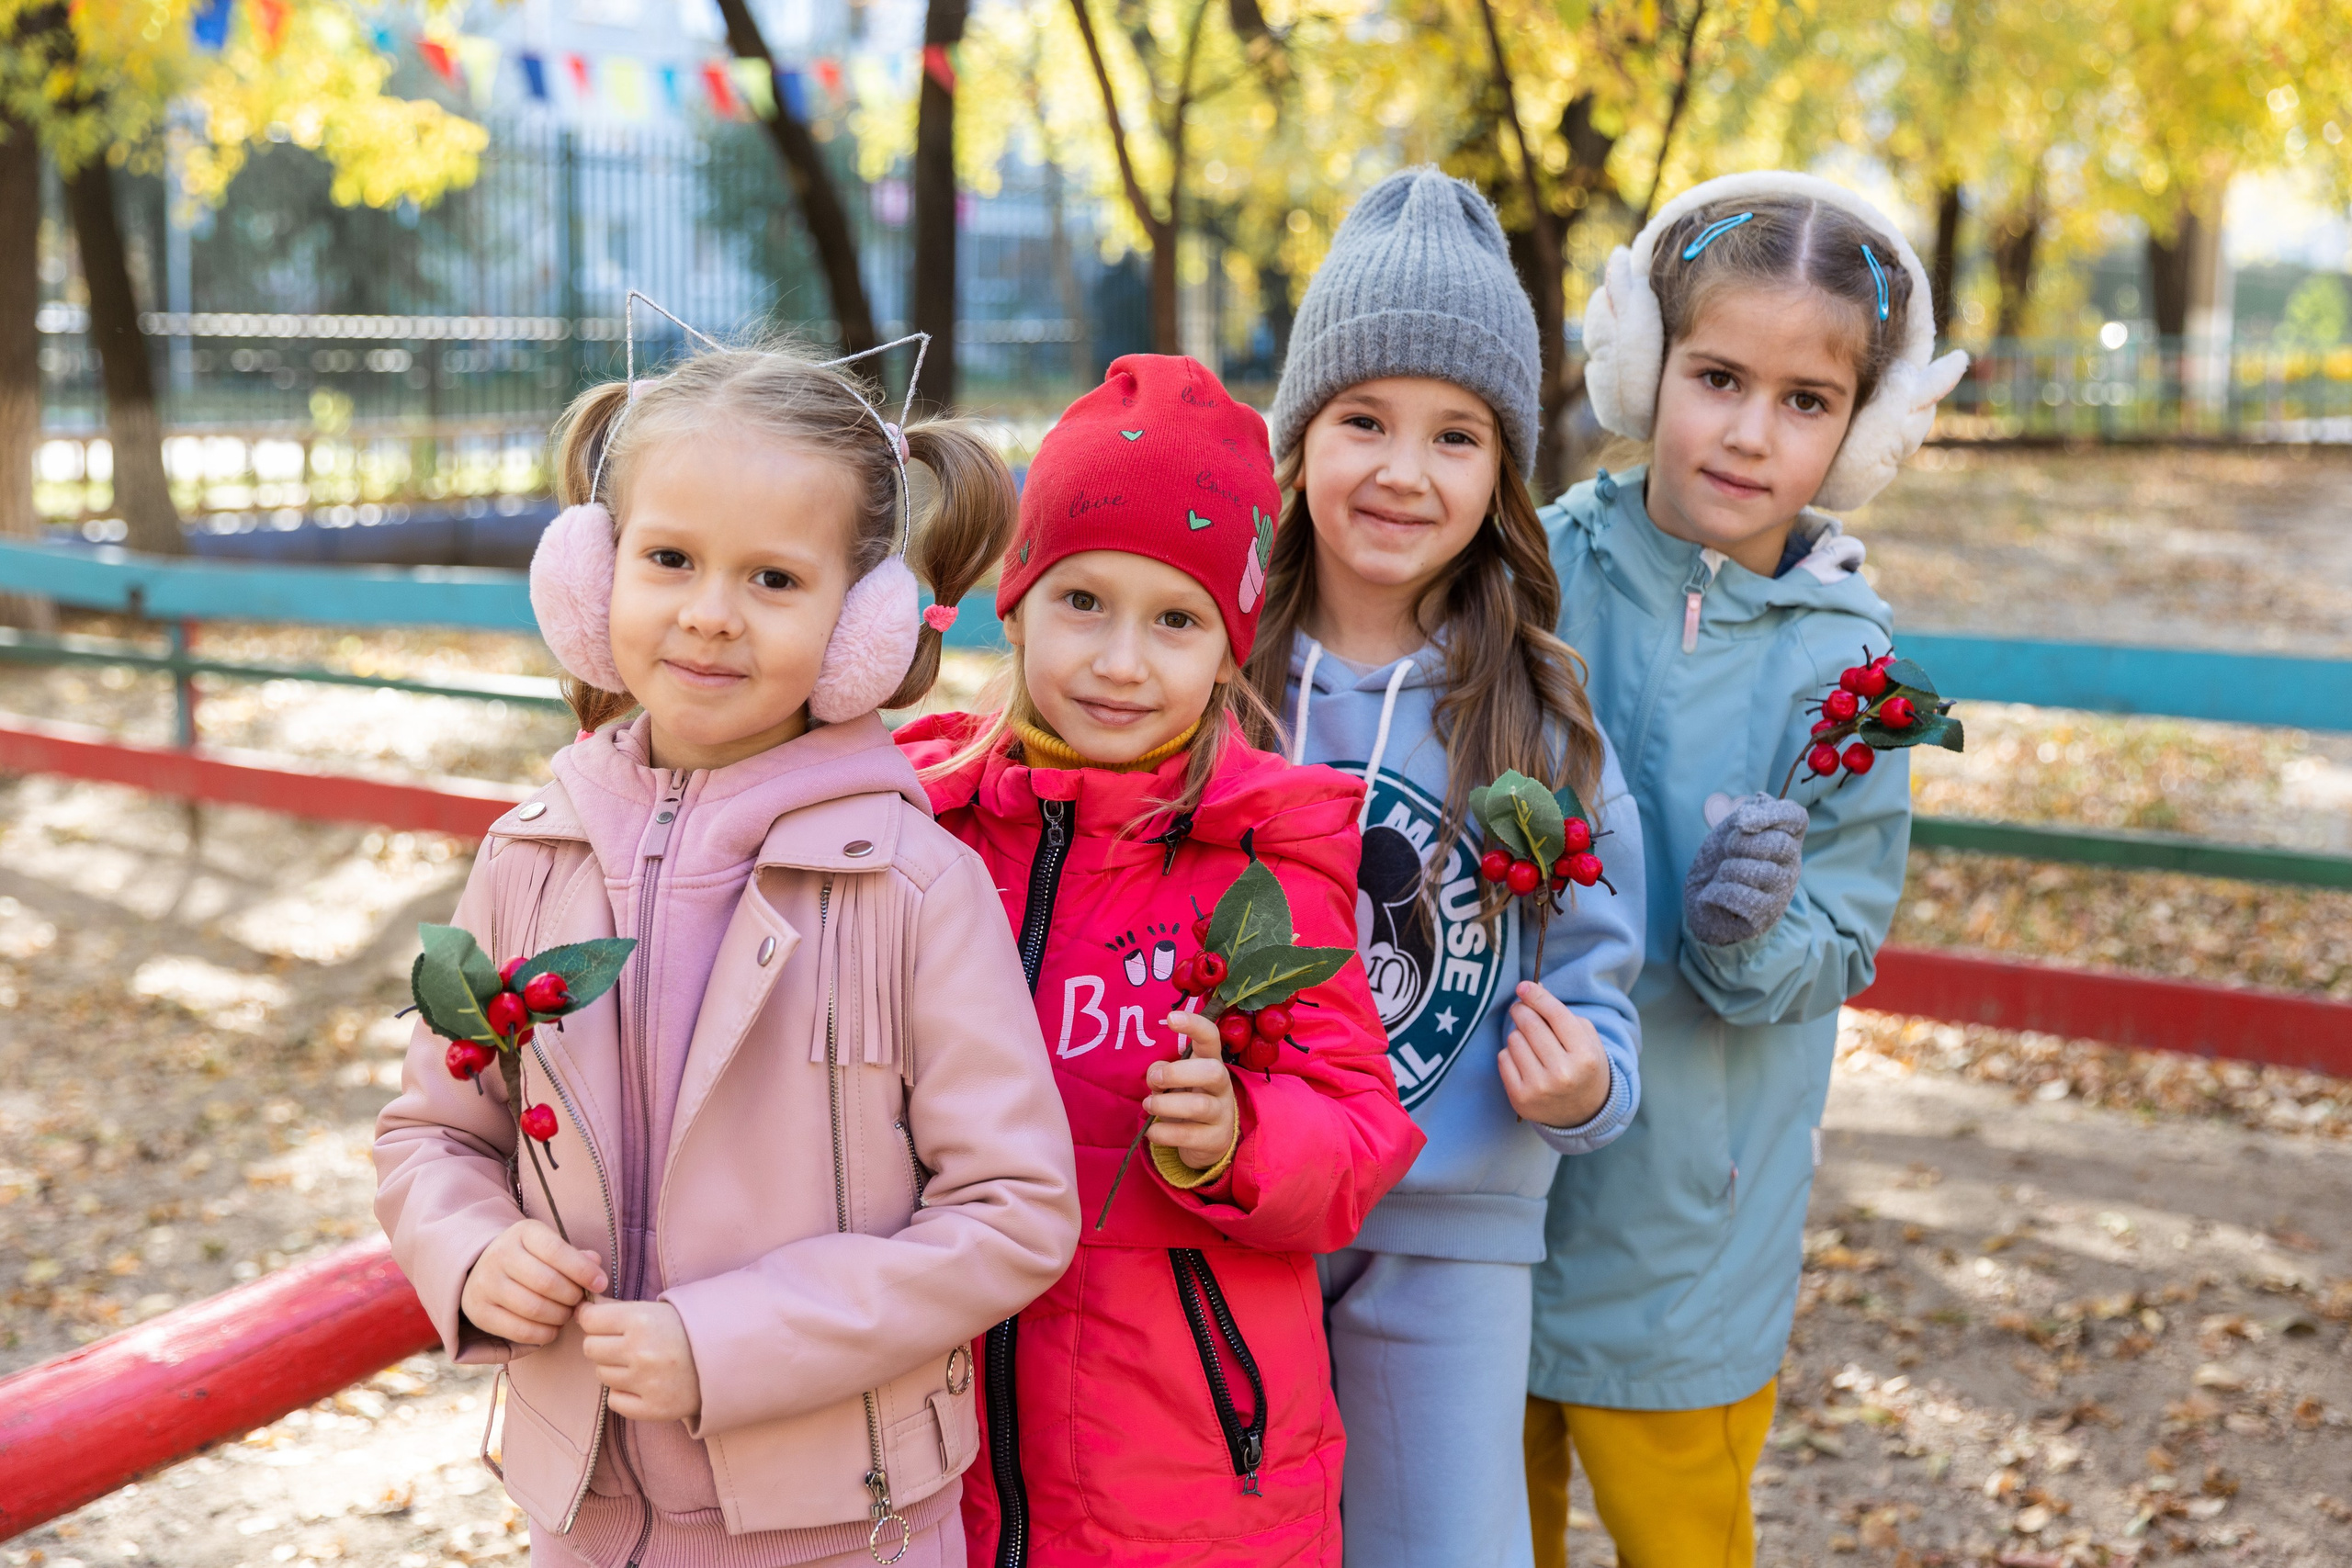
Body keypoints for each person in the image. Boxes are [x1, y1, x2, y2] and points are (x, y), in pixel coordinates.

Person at [374, 337, 1082, 1568]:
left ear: (862, 623)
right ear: (593, 573)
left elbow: (1011, 1211)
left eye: (772, 578)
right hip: (587, 1520)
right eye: (669, 560)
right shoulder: (527, 857)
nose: (709, 611)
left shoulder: (913, 888)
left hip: (847, 1529)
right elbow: (435, 1132)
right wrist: (471, 1249)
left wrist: (730, 1344)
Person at [894, 353, 1426, 1568]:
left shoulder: (1267, 860)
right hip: (937, 1464)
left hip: (1189, 1494)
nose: (1122, 661)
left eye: (1176, 619)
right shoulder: (921, 825)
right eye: (1083, 601)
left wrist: (1241, 1139)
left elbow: (1357, 1135)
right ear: (1015, 604)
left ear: (1230, 648)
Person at [1524, 172, 1969, 1568]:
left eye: (1806, 400)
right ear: (1643, 366)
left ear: (1864, 430)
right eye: (1718, 377)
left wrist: (1745, 931)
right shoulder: (1534, 570)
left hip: (1688, 1232)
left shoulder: (1851, 672)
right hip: (1486, 1182)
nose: (1749, 432)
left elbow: (1843, 932)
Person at [1242, 165, 1646, 1568]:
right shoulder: (1213, 678)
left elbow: (1597, 975)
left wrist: (1588, 1084)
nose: (1403, 471)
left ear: (1502, 471)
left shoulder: (1540, 717)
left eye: (1455, 435)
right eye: (1363, 419)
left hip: (1453, 1232)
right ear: (1300, 435)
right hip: (1232, 1201)